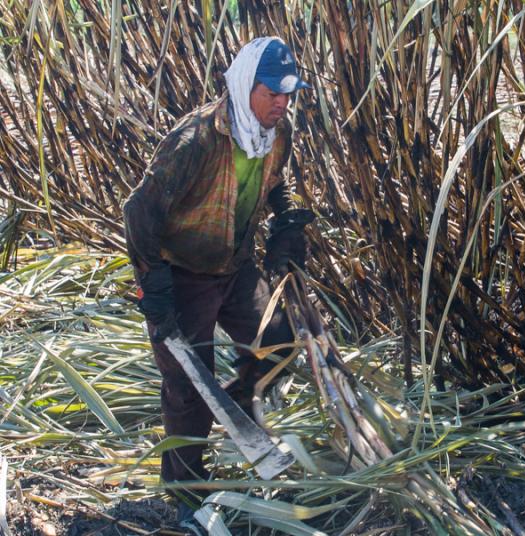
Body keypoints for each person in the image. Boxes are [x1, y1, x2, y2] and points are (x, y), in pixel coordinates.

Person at [122, 37, 311, 525]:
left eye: (288, 94)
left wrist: (286, 219)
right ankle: (186, 490)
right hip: (181, 275)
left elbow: (275, 182)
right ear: (247, 85)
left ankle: (237, 405)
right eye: (272, 92)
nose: (281, 103)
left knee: (280, 343)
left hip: (234, 265)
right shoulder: (195, 142)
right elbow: (139, 211)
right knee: (187, 386)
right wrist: (154, 289)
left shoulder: (277, 132)